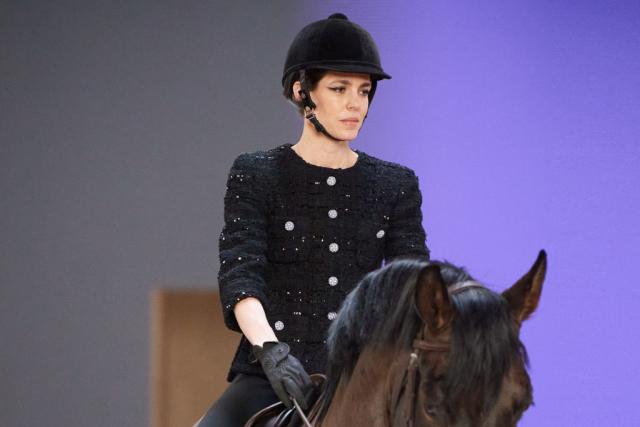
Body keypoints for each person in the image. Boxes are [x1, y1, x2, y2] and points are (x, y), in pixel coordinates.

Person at [196, 13, 430, 426]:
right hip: (272, 373)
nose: (356, 103)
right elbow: (241, 272)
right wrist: (271, 351)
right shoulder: (257, 173)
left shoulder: (395, 183)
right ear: (302, 91)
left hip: (363, 376)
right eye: (339, 89)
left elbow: (412, 281)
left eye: (364, 90)